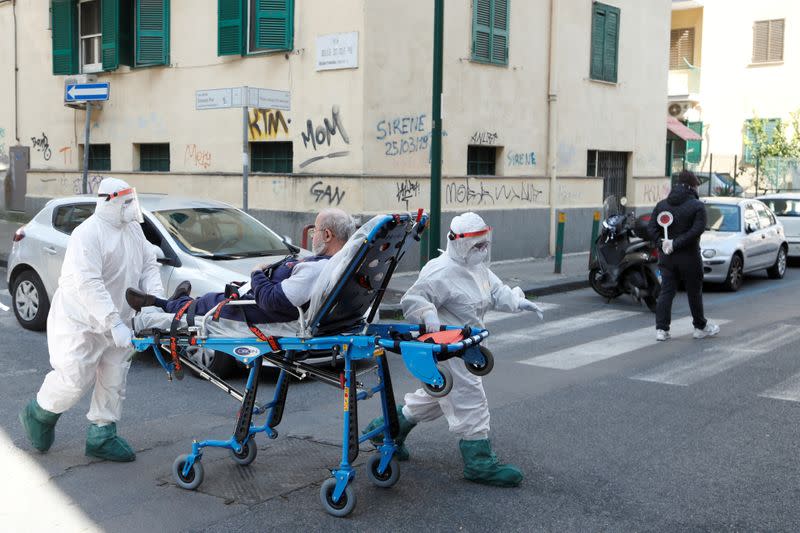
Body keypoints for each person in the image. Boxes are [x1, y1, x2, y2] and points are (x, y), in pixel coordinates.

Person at [363, 212, 544, 488]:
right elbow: (414, 298)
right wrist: (427, 313)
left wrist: (518, 302)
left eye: (484, 244)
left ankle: (384, 430)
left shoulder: (477, 266)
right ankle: (479, 463)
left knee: (436, 399)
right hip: (450, 349)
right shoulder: (440, 271)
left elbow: (495, 290)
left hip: (469, 345)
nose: (482, 251)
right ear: (457, 242)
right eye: (477, 246)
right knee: (472, 401)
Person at [19, 178, 164, 462]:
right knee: (74, 378)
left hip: (119, 321)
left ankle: (102, 434)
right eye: (126, 202)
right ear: (109, 200)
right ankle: (39, 413)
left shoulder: (133, 230)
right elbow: (88, 284)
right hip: (80, 321)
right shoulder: (88, 233)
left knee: (114, 377)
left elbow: (149, 263)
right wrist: (114, 322)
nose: (132, 207)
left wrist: (154, 304)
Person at [125, 208, 355, 324]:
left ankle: (157, 304)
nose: (312, 236)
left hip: (250, 307)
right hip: (249, 299)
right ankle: (177, 300)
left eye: (315, 231)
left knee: (208, 303)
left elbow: (274, 301)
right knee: (207, 299)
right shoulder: (331, 264)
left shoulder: (317, 269)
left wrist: (257, 274)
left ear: (326, 235)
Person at [648, 169, 719, 341]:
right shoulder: (697, 206)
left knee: (667, 292)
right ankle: (700, 327)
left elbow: (652, 228)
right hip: (689, 257)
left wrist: (663, 244)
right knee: (694, 292)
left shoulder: (662, 205)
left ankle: (661, 330)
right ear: (692, 186)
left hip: (667, 257)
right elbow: (697, 230)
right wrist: (675, 243)